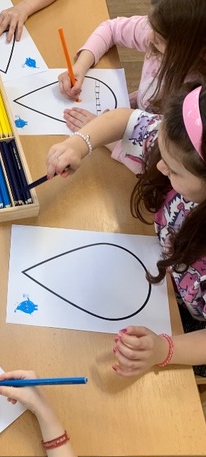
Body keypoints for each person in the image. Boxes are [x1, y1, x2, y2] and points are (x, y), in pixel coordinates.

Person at [45, 84, 206, 377]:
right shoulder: (182, 141)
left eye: (173, 170)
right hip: (161, 266)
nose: (160, 167)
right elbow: (125, 120)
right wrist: (78, 144)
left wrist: (164, 349)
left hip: (191, 325)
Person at [59, 0, 206, 167]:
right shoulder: (159, 29)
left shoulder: (197, 101)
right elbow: (111, 29)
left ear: (196, 48)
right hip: (129, 120)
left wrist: (103, 135)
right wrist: (81, 65)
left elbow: (165, 160)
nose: (150, 36)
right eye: (151, 24)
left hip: (140, 153)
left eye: (161, 38)